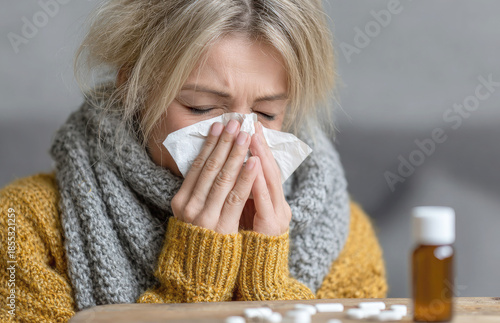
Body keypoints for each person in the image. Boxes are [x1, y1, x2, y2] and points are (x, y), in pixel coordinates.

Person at [0, 0, 387, 322]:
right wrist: (191, 289)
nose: (239, 136)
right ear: (133, 88)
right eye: (200, 107)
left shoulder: (345, 237)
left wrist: (270, 292)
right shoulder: (22, 226)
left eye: (267, 114)